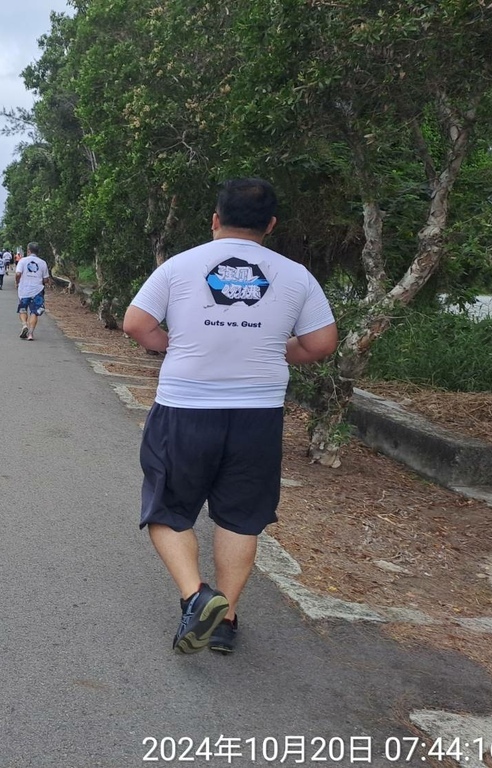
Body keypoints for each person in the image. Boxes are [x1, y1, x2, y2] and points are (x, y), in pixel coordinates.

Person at [123, 178, 338, 655]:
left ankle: (196, 597)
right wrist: (276, 351)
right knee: (240, 517)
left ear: (215, 220)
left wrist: (172, 345)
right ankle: (225, 619)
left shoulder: (180, 265)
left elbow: (136, 323)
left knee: (168, 507)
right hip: (258, 415)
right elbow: (321, 343)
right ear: (271, 225)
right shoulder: (297, 276)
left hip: (185, 408)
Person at [15, 242, 50, 340]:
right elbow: (46, 279)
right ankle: (30, 333)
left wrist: (17, 282)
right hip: (37, 291)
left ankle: (24, 325)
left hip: (24, 290)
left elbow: (18, 274)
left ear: (28, 250)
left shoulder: (22, 261)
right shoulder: (42, 263)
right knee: (34, 312)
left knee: (23, 309)